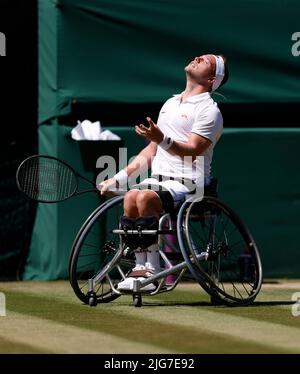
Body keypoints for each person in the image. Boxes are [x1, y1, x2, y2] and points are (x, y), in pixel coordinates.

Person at [99, 54, 229, 291]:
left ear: (212, 79)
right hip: (158, 180)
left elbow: (193, 151)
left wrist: (162, 139)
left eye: (206, 61)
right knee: (130, 196)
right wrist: (118, 179)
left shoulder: (210, 111)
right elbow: (151, 150)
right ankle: (141, 267)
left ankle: (153, 267)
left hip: (191, 184)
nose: (198, 57)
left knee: (145, 197)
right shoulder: (170, 104)